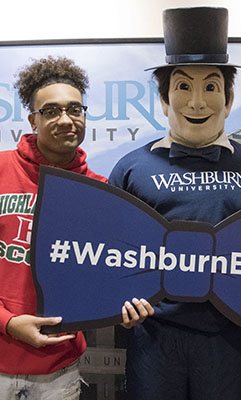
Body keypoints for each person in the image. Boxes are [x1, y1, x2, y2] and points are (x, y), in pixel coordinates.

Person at [109, 7, 241, 400]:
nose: (198, 102)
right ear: (164, 98)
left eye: (211, 86)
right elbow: (106, 251)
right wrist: (115, 303)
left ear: (229, 96)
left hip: (231, 338)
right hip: (152, 335)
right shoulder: (131, 168)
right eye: (183, 87)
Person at [0, 56, 153, 399]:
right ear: (32, 120)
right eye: (51, 111)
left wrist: (123, 307)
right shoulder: (1, 169)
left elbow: (110, 273)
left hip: (60, 368)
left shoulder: (101, 192)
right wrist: (7, 323)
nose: (65, 119)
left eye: (75, 109)